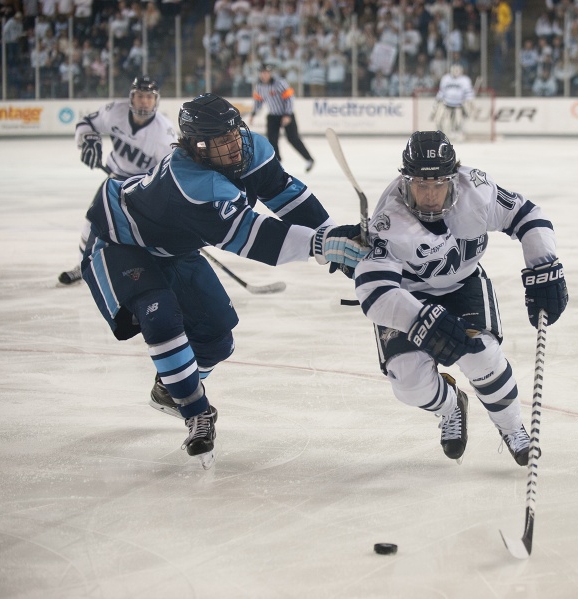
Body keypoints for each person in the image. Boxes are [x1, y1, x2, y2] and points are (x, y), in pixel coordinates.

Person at [80, 93, 368, 469]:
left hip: (174, 249)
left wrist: (332, 233)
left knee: (217, 338)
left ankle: (171, 386)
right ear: (196, 147)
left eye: (235, 134)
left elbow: (287, 195)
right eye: (221, 142)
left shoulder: (249, 148)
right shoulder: (190, 181)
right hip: (119, 242)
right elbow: (252, 236)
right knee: (161, 316)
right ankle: (196, 411)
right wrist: (323, 246)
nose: (234, 146)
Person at [353, 131, 568, 466]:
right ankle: (451, 406)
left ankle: (511, 428)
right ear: (404, 180)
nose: (428, 195)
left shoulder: (477, 192)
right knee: (408, 382)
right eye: (419, 184)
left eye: (438, 183)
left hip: (463, 285)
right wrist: (421, 321)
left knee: (482, 356)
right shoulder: (389, 219)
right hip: (409, 297)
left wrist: (544, 266)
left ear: (453, 177)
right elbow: (373, 291)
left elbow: (527, 215)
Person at [58, 76, 177, 285]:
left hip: (143, 187)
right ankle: (83, 266)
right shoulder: (115, 112)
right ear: (132, 97)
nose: (144, 102)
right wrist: (88, 140)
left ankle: (155, 270)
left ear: (156, 100)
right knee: (92, 221)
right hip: (114, 179)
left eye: (149, 97)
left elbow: (168, 175)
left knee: (143, 234)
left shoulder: (164, 135)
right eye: (140, 96)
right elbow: (86, 123)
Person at [249, 63, 314, 172]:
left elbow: (289, 98)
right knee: (272, 140)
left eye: (266, 73)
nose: (264, 75)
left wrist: (287, 114)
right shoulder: (259, 87)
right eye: (263, 73)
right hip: (273, 116)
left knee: (293, 139)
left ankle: (309, 159)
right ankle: (277, 161)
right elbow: (259, 101)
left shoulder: (280, 83)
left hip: (286, 115)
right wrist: (254, 113)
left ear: (270, 74)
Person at [433, 64, 475, 141]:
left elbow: (469, 93)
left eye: (457, 70)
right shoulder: (446, 78)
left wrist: (469, 102)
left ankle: (459, 134)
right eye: (454, 70)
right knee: (438, 119)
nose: (456, 72)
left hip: (459, 104)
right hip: (446, 103)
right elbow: (441, 91)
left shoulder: (465, 80)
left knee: (459, 122)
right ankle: (441, 135)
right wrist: (437, 100)